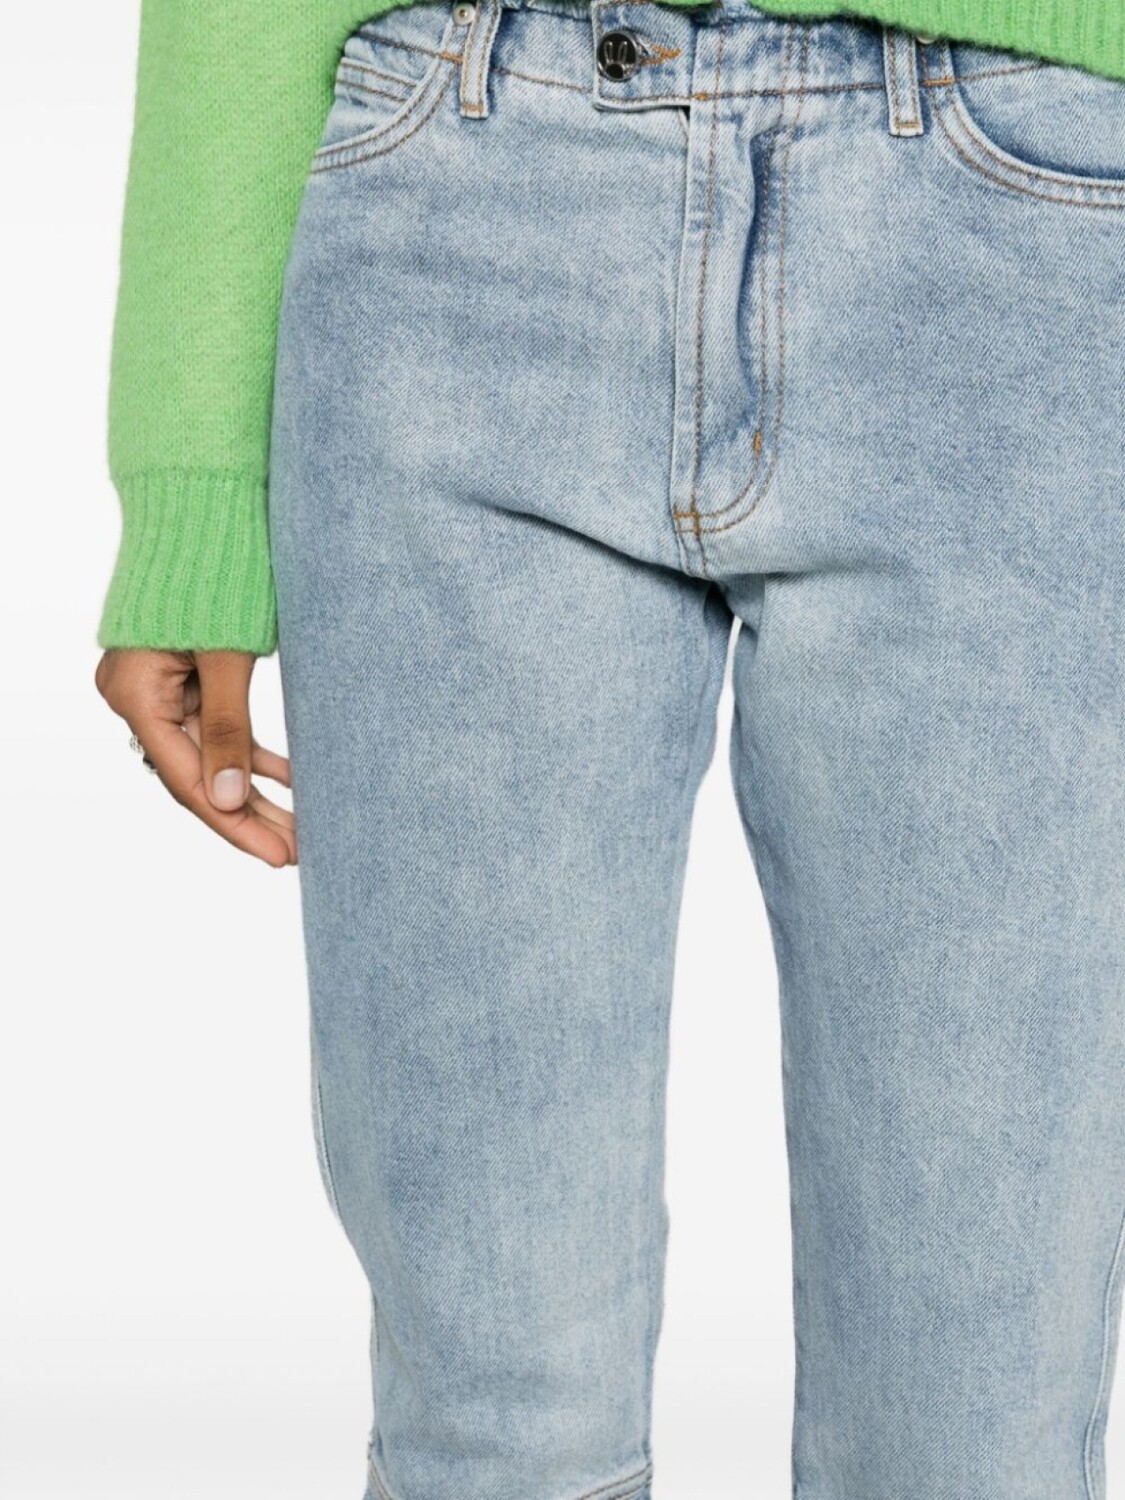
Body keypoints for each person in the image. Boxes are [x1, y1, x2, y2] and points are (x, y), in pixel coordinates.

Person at [94, 0, 1125, 1495]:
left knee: (974, 1410)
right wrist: (190, 487)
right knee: (491, 1416)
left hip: (1022, 240)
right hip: (459, 191)